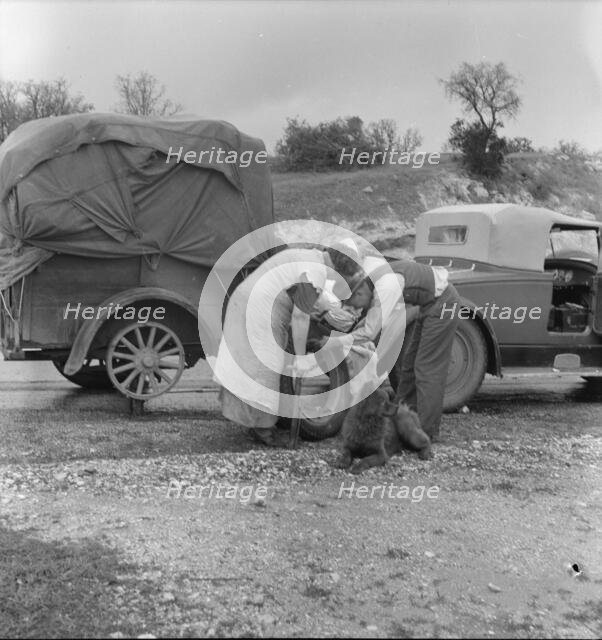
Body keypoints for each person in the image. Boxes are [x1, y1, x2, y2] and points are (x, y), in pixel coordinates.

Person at [213, 243, 357, 447]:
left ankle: (256, 423)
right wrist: (299, 358)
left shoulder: (310, 256)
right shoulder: (316, 271)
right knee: (264, 366)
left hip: (247, 299)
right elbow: (300, 317)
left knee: (250, 363)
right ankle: (262, 430)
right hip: (260, 308)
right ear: (340, 270)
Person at [332, 254, 461, 441]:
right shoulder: (370, 277)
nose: (356, 310)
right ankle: (402, 420)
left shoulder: (385, 288)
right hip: (427, 305)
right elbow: (370, 324)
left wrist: (340, 342)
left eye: (353, 305)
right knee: (408, 366)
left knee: (427, 369)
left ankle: (426, 432)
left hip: (443, 303)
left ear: (359, 293)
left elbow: (370, 331)